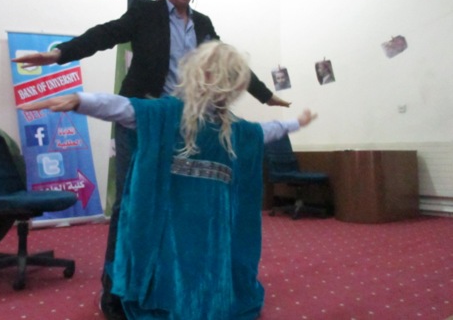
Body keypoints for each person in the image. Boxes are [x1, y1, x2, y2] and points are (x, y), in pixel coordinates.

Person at [12, 0, 290, 320]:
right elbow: (105, 34)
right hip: (142, 120)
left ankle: (165, 282)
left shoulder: (203, 24)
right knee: (130, 202)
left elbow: (229, 64)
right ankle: (115, 286)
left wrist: (265, 95)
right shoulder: (146, 13)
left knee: (173, 204)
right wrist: (59, 54)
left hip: (183, 127)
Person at [18, 41, 317, 320]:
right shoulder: (169, 114)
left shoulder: (235, 131)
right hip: (173, 222)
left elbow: (267, 131)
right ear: (202, 74)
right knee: (172, 269)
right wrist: (79, 100)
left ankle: (204, 300)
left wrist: (295, 123)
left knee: (205, 273)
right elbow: (122, 107)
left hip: (211, 227)